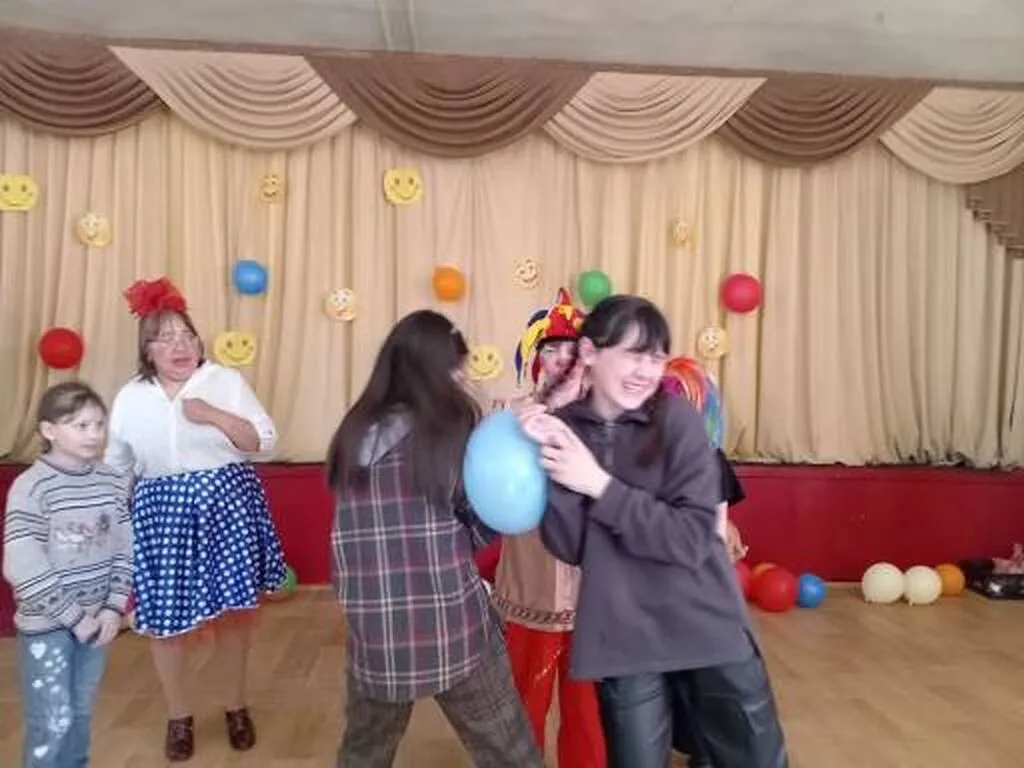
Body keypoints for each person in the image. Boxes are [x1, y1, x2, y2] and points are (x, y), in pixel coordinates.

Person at [519, 295, 789, 768]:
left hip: (706, 625)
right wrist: (551, 457)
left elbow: (692, 537)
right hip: (624, 637)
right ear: (590, 353)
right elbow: (571, 546)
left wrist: (598, 485)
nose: (646, 371)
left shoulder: (676, 419)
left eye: (656, 357)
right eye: (633, 354)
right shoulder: (568, 430)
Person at [327, 309, 542, 768]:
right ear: (436, 369)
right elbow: (476, 528)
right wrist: (504, 446)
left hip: (376, 634)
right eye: (457, 365)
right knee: (510, 750)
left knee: (364, 751)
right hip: (451, 625)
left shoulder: (352, 432)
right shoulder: (449, 432)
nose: (464, 376)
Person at [104, 277, 287, 762]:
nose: (179, 346)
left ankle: (235, 707)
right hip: (160, 520)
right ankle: (178, 715)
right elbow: (117, 467)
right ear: (147, 351)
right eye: (165, 338)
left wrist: (212, 415)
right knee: (165, 625)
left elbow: (264, 443)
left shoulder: (224, 381)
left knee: (234, 619)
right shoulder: (130, 397)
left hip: (228, 511)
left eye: (186, 335)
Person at [491, 288, 606, 767]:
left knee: (590, 705)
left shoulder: (608, 419)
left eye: (571, 350)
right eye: (551, 348)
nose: (561, 359)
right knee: (523, 696)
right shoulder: (507, 413)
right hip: (530, 581)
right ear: (535, 356)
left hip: (593, 583)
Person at [3, 382, 133, 768]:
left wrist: (113, 608)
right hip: (49, 625)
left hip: (97, 624)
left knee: (80, 712)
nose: (93, 434)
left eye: (99, 424)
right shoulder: (32, 487)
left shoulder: (112, 480)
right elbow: (22, 563)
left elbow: (124, 547)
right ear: (49, 431)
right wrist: (74, 618)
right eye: (80, 426)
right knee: (51, 720)